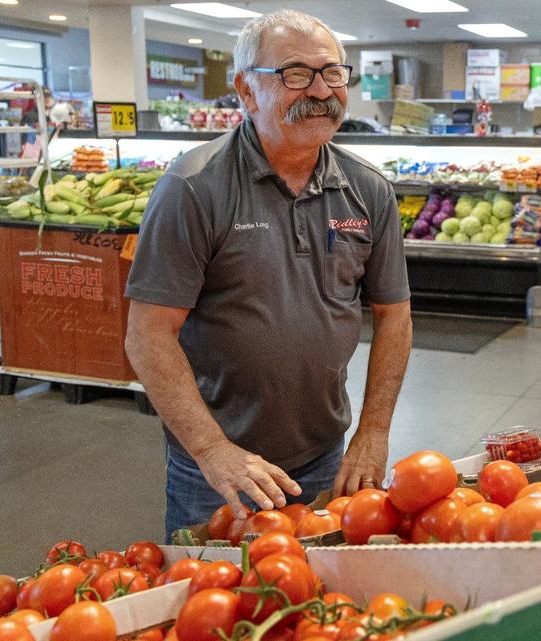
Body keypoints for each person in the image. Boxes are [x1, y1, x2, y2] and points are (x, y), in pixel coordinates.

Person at [124, 9, 413, 538]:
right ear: (246, 91)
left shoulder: (368, 189)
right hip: (217, 469)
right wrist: (212, 449)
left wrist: (373, 430)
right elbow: (148, 334)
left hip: (324, 455)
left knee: (316, 585)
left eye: (332, 72)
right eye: (295, 74)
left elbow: (394, 315)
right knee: (214, 586)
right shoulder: (193, 188)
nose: (320, 90)